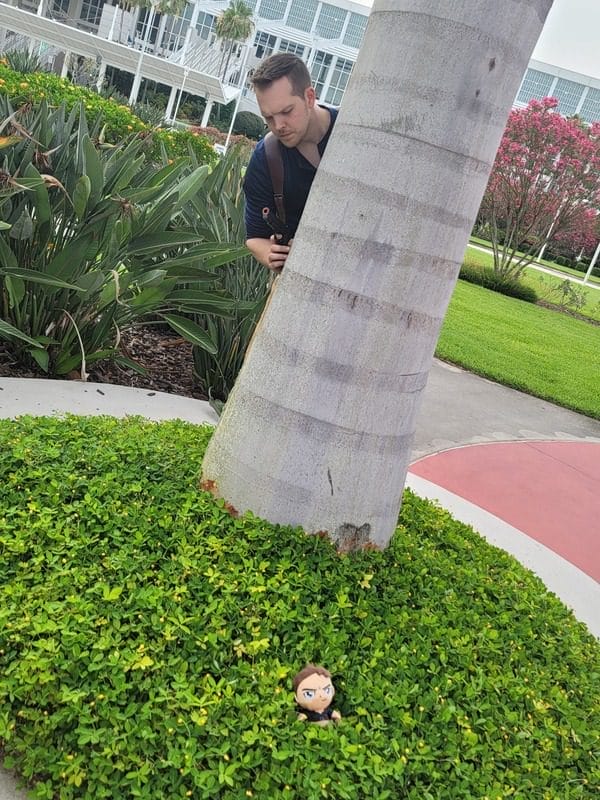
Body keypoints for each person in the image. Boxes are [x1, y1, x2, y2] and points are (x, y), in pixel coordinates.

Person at [243, 53, 338, 272]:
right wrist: (272, 254)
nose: (278, 126)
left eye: (286, 112)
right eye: (268, 117)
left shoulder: (357, 136)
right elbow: (254, 237)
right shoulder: (266, 157)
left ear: (309, 97)